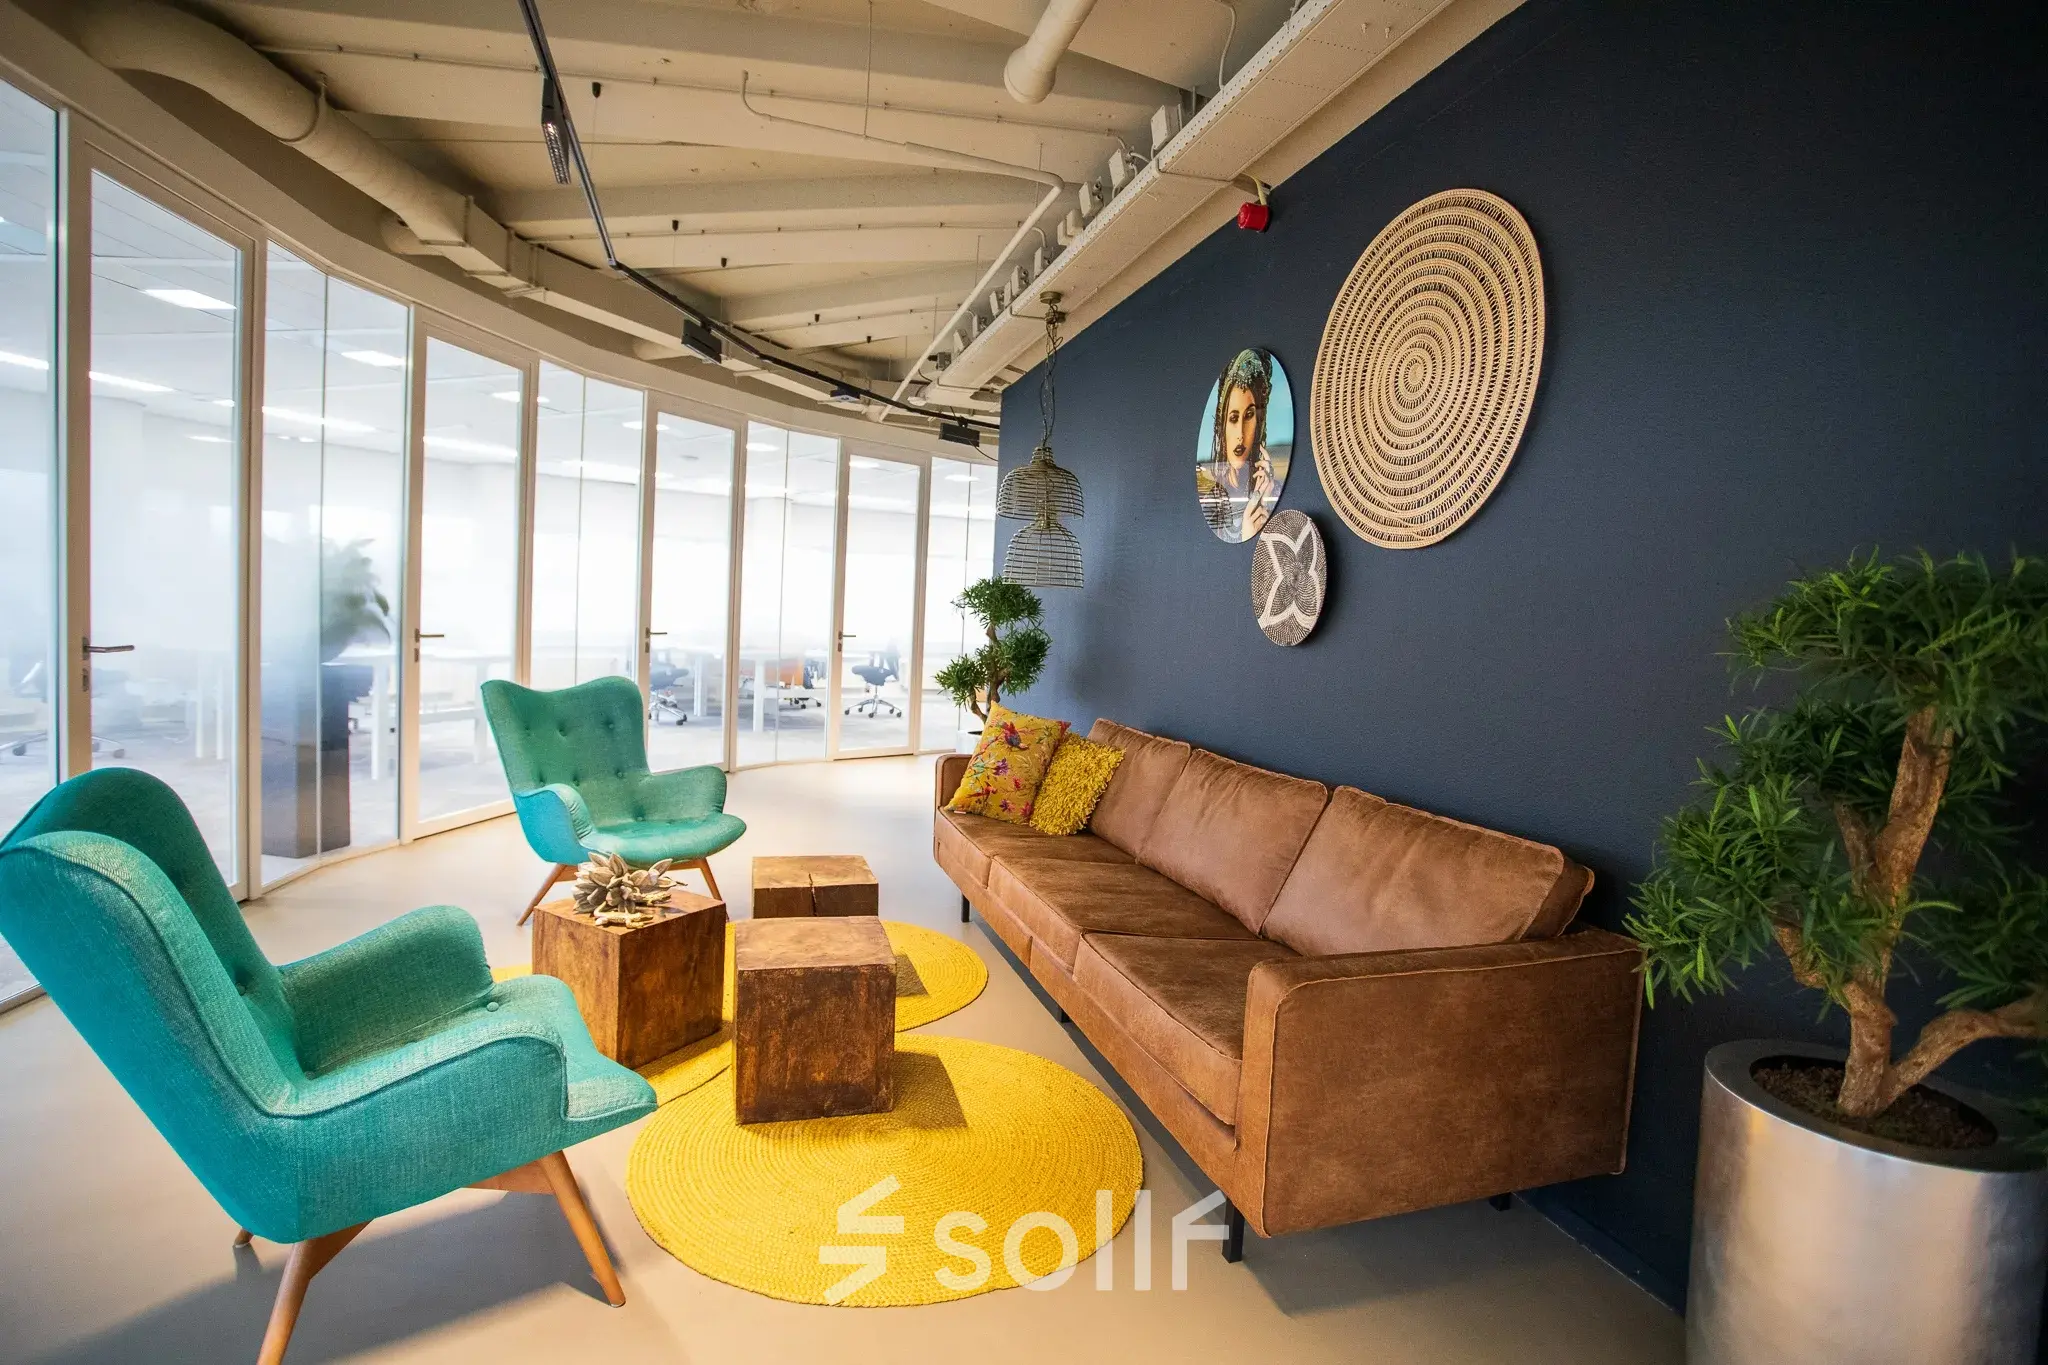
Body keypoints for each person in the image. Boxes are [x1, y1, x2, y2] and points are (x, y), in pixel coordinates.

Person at [1197, 348, 1278, 541]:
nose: (1240, 435)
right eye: (1233, 418)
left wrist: (1264, 497)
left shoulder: (1272, 491)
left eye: (1249, 416)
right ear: (1222, 426)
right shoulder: (1211, 502)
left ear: (1259, 423)